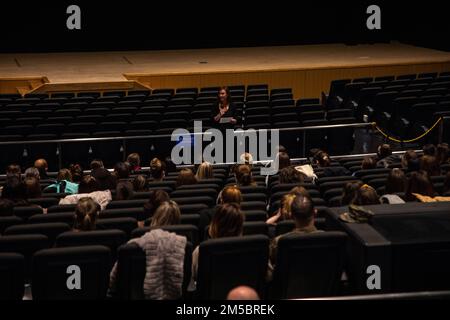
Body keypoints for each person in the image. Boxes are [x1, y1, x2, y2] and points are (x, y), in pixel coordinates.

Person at [190, 203, 244, 290]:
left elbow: (192, 278)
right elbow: (267, 276)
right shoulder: (253, 249)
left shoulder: (201, 250)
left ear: (215, 225)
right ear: (240, 227)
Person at [268, 195, 321, 278]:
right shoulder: (331, 239)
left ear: (291, 216)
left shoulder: (279, 241)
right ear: (315, 212)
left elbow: (269, 274)